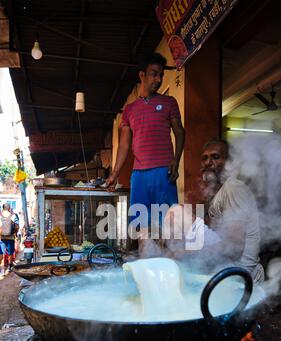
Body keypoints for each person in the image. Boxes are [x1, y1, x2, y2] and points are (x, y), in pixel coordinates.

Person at [106, 52, 185, 251]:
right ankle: (145, 270)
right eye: (153, 74)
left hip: (163, 174)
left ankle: (167, 272)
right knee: (141, 228)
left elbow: (180, 133)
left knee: (166, 228)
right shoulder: (130, 110)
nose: (158, 80)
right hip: (139, 176)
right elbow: (124, 145)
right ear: (142, 75)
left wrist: (176, 160)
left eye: (160, 75)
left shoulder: (169, 103)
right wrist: (114, 174)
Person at [164, 140, 264, 283]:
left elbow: (234, 247)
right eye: (204, 158)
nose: (208, 163)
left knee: (177, 212)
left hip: (239, 273)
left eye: (215, 157)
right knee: (177, 213)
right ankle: (171, 266)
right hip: (226, 267)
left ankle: (173, 265)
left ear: (230, 163)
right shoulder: (217, 193)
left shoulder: (234, 187)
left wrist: (185, 253)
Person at [0, 203, 19, 275]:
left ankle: (2, 270)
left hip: (1, 237)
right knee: (10, 252)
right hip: (10, 237)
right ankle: (9, 267)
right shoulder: (13, 216)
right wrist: (15, 233)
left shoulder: (0, 216)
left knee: (2, 252)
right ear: (9, 208)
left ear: (3, 208)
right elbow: (17, 226)